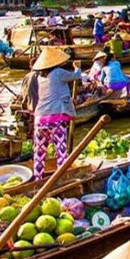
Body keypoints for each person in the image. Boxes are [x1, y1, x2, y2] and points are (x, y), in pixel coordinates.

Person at [32, 47, 82, 179]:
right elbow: (76, 76)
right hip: (56, 119)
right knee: (61, 150)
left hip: (39, 119)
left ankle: (38, 177)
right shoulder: (58, 73)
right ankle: (62, 177)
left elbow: (54, 91)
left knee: (40, 151)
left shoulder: (40, 77)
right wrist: (77, 67)